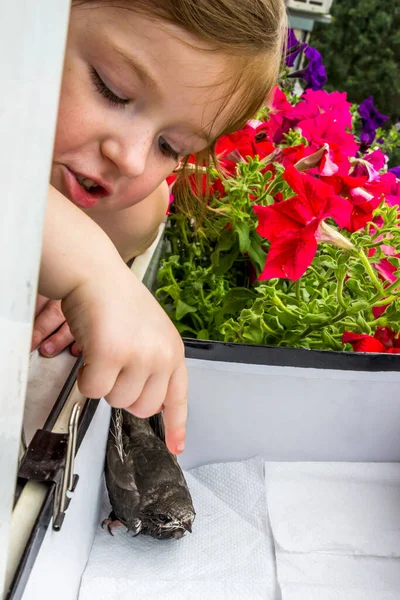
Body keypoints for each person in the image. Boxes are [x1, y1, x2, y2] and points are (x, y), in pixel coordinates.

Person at [34, 0, 287, 453]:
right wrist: (91, 268)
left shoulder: (122, 218)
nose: (130, 160)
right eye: (111, 90)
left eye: (170, 146)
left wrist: (80, 280)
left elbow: (149, 207)